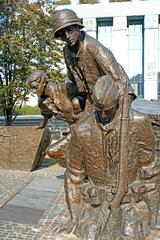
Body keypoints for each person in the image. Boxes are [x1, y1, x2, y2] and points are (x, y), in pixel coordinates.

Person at [63, 75, 159, 240]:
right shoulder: (82, 129)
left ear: (117, 102)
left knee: (131, 234)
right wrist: (74, 218)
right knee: (89, 234)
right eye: (99, 110)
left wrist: (153, 221)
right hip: (94, 206)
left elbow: (151, 172)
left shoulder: (138, 122)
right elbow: (74, 176)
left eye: (108, 109)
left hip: (130, 205)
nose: (104, 115)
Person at [53, 8, 136, 114]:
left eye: (70, 30)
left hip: (105, 98)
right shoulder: (67, 51)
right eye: (62, 34)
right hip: (88, 97)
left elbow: (117, 75)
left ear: (78, 27)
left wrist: (124, 102)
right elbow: (72, 79)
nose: (67, 36)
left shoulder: (93, 47)